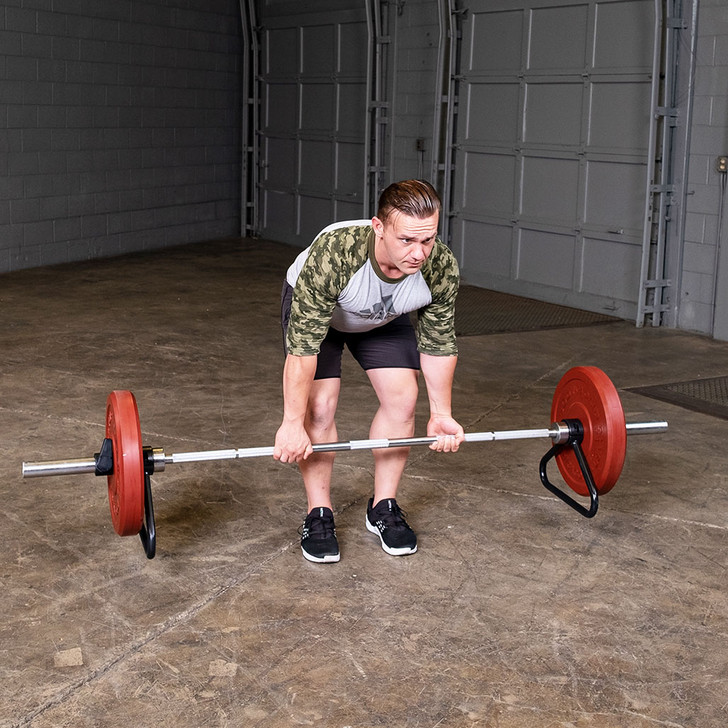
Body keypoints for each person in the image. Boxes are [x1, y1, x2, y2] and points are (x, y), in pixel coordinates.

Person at [274, 179, 464, 563]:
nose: (419, 253)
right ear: (378, 227)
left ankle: (383, 506)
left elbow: (439, 344)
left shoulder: (440, 267)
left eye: (428, 240)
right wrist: (292, 422)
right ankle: (319, 512)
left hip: (380, 318)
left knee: (404, 398)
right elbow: (303, 349)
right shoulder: (337, 253)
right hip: (322, 318)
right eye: (407, 240)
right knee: (320, 407)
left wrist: (441, 414)